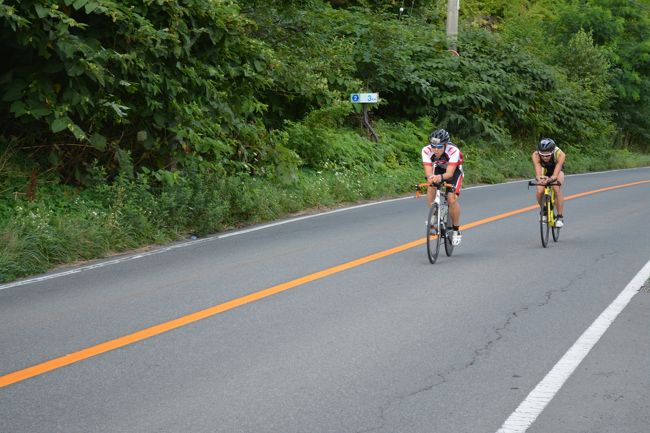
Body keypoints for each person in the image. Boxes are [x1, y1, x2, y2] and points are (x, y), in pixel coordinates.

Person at [421, 128, 464, 245]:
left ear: (445, 145)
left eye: (439, 147)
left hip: (454, 171)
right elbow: (428, 171)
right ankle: (434, 214)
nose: (435, 149)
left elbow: (449, 174)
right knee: (431, 185)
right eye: (433, 146)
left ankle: (456, 230)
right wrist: (432, 178)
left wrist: (439, 178)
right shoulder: (426, 150)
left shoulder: (453, 151)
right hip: (439, 168)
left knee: (451, 198)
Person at [532, 138, 566, 227]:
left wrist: (552, 179)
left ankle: (559, 216)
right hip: (545, 170)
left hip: (557, 170)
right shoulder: (535, 155)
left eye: (547, 155)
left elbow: (556, 171)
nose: (545, 157)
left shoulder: (560, 154)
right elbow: (538, 169)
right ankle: (544, 210)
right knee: (540, 190)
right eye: (542, 155)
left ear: (552, 152)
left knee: (556, 188)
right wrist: (540, 178)